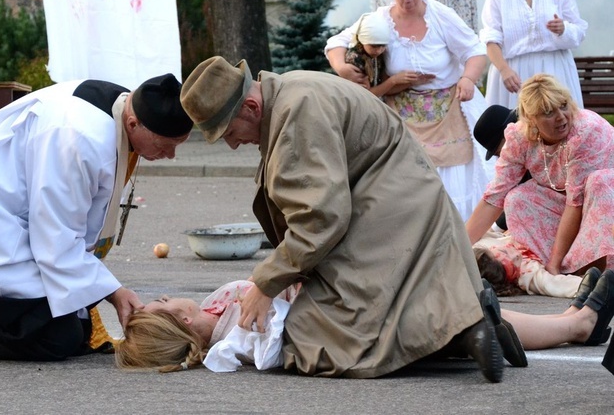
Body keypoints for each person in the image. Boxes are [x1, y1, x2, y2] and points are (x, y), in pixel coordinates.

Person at [178, 55, 506, 382]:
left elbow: (321, 219)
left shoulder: (296, 112)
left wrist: (266, 283)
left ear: (251, 107)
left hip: (394, 214)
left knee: (306, 334)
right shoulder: (291, 90)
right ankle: (469, 322)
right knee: (358, 312)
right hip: (396, 203)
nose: (234, 145)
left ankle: (467, 326)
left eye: (230, 132)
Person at [0, 74, 194, 361]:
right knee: (53, 339)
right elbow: (56, 240)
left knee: (72, 331)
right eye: (165, 146)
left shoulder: (116, 109)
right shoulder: (80, 139)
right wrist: (113, 292)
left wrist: (98, 290)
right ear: (134, 123)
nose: (170, 156)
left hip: (12, 224)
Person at [114, 268, 614, 373]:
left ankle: (571, 316)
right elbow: (283, 336)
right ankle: (577, 326)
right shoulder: (231, 340)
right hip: (344, 318)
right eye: (163, 305)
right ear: (180, 322)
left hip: (339, 303)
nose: (163, 295)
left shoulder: (218, 307)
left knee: (456, 305)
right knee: (450, 312)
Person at [325, 0, 493, 221]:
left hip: (447, 108)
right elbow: (337, 41)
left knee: (452, 170)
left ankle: (458, 233)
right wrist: (342, 67)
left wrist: (468, 79)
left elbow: (474, 50)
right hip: (400, 111)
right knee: (406, 174)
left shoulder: (440, 15)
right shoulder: (379, 19)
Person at [466, 73, 614, 276]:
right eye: (548, 112)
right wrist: (461, 249)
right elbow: (494, 197)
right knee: (517, 199)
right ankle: (560, 268)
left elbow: (575, 203)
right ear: (530, 119)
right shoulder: (519, 137)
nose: (561, 117)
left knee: (599, 181)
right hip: (569, 208)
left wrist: (555, 262)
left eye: (563, 105)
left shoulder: (586, 131)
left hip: (602, 204)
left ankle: (599, 270)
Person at [116, 280, 299, 372]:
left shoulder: (208, 307)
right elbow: (293, 319)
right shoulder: (239, 335)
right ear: (185, 320)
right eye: (162, 301)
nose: (166, 295)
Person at [342, 12, 400, 96]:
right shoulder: (355, 59)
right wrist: (393, 80)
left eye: (382, 46)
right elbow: (366, 95)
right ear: (362, 40)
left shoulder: (376, 54)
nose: (378, 51)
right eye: (374, 46)